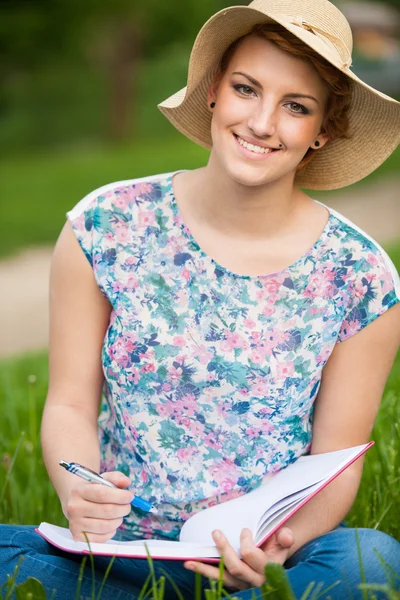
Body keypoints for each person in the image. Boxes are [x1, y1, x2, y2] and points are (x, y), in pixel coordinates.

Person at [1, 0, 400, 598]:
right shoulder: (108, 225)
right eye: (247, 89)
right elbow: (70, 405)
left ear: (323, 131)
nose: (262, 122)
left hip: (259, 561)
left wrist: (274, 553)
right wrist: (75, 486)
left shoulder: (361, 275)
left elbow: (337, 462)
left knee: (374, 560)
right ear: (213, 91)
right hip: (116, 552)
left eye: (296, 107)